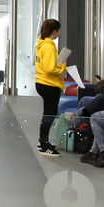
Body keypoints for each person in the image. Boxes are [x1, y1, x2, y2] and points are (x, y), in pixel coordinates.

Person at [35, 18, 66, 157]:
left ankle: (42, 141)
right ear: (55, 31)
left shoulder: (41, 43)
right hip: (49, 84)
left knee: (47, 113)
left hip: (42, 82)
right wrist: (62, 66)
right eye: (59, 30)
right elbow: (50, 68)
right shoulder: (48, 46)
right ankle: (44, 143)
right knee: (49, 114)